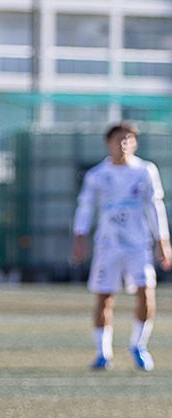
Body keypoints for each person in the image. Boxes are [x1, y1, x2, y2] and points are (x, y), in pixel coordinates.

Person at [71, 122, 172, 371]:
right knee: (105, 297)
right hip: (108, 246)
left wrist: (163, 242)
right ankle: (103, 353)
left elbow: (154, 207)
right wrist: (79, 238)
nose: (124, 143)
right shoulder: (97, 175)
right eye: (119, 139)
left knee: (145, 292)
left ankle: (139, 345)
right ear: (109, 142)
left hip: (139, 245)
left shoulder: (145, 171)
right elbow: (85, 207)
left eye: (129, 139)